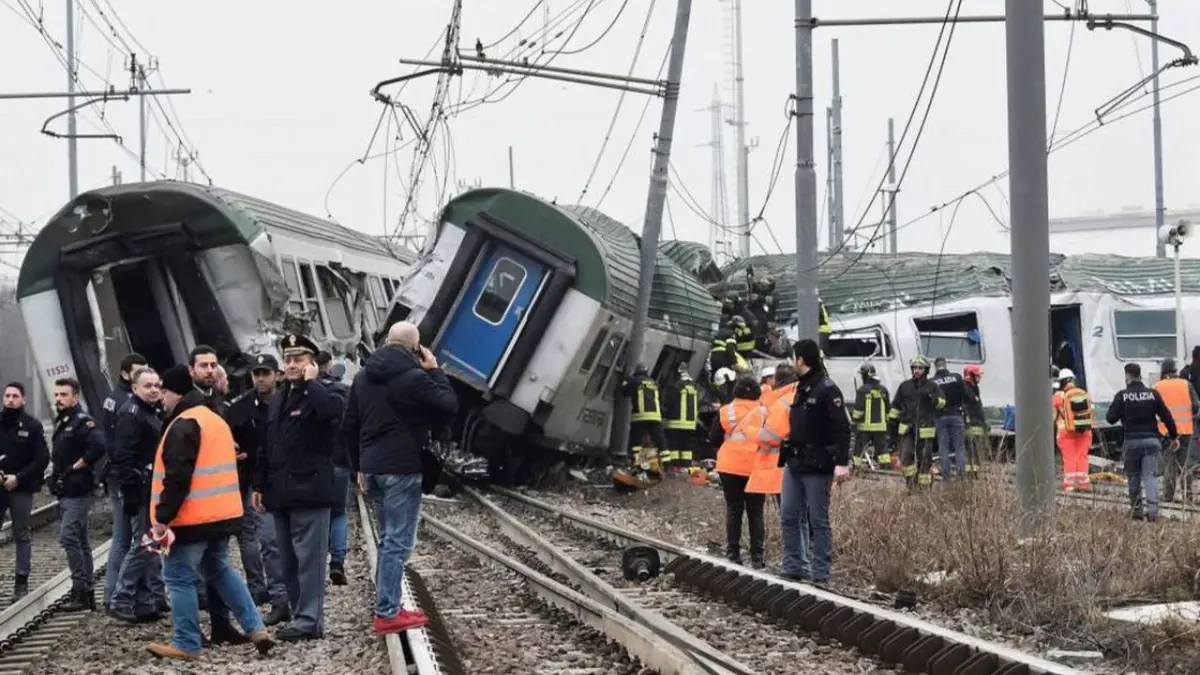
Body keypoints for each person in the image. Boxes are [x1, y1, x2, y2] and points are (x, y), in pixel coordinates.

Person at [146, 365, 274, 661]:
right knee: (219, 568)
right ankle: (256, 628)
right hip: (223, 515)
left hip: (191, 518)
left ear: (177, 393)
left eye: (164, 392)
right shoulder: (213, 418)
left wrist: (162, 518)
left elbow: (177, 478)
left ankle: (186, 643)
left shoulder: (183, 424)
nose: (161, 398)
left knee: (178, 577)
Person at [343, 321, 457, 635]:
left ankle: (390, 603)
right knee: (397, 542)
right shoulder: (415, 377)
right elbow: (448, 405)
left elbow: (349, 425)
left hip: (373, 467)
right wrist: (435, 371)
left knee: (388, 540)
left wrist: (358, 467)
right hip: (402, 468)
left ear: (386, 342)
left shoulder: (362, 377)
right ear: (415, 348)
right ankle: (387, 612)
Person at [253, 333, 345, 642]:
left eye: (299, 359)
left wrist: (311, 383)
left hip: (310, 489)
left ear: (311, 363)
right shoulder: (279, 397)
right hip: (281, 491)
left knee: (309, 560)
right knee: (287, 560)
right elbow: (267, 443)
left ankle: (309, 620)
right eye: (288, 359)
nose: (292, 364)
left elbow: (331, 413)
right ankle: (298, 614)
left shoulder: (326, 391)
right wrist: (259, 483)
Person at [778, 339, 851, 584]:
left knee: (817, 520)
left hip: (818, 464)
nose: (793, 362)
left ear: (800, 360)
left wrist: (841, 463)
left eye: (794, 358)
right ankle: (794, 566)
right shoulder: (802, 386)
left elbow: (842, 428)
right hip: (795, 461)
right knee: (789, 514)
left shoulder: (827, 389)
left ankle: (821, 572)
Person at [226, 354, 290, 624]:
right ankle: (278, 597)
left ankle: (291, 595)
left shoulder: (288, 401)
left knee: (289, 541)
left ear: (277, 375)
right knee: (268, 540)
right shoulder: (241, 408)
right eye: (257, 374)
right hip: (255, 481)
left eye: (265, 374)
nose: (261, 379)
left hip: (287, 479)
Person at [106, 366, 169, 620]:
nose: (153, 390)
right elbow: (123, 456)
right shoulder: (132, 414)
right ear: (134, 388)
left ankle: (148, 601)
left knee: (152, 544)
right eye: (147, 386)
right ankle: (122, 598)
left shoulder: (150, 411)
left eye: (156, 385)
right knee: (145, 543)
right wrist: (130, 490)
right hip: (139, 487)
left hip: (150, 486)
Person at [49, 378, 106, 612]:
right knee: (80, 539)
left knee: (68, 536)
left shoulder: (83, 422)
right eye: (57, 395)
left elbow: (99, 445)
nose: (59, 399)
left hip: (79, 489)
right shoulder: (64, 421)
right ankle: (86, 593)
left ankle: (80, 589)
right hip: (66, 490)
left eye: (64, 395)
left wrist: (77, 466)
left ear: (75, 397)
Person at [1107, 363, 1178, 522]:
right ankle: (1153, 512)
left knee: (1133, 477)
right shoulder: (1153, 394)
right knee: (1150, 476)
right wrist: (1174, 436)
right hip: (1151, 441)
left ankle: (1136, 511)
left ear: (1127, 376)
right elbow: (1167, 417)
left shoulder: (1122, 395)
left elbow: (1110, 418)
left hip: (1131, 442)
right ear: (1140, 376)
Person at [0, 382, 49, 600]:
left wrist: (19, 478)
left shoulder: (32, 426)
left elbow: (41, 458)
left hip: (21, 487)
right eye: (7, 396)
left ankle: (21, 581)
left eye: (15, 396)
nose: (10, 400)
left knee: (21, 533)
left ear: (23, 399)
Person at [709, 376, 764, 566]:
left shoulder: (726, 411)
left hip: (730, 465)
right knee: (756, 511)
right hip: (756, 466)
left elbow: (714, 438)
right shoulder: (764, 412)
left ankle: (733, 553)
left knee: (734, 509)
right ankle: (757, 556)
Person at [317, 351, 353, 586]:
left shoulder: (307, 392)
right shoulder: (344, 392)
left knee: (317, 513)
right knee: (339, 513)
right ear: (330, 366)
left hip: (316, 463)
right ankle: (337, 562)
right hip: (340, 460)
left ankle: (316, 561)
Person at [890, 356, 945, 489]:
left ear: (926, 370)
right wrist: (891, 426)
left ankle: (924, 489)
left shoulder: (932, 386)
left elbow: (942, 403)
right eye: (914, 368)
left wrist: (933, 398)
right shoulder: (905, 386)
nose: (917, 370)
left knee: (924, 460)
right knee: (906, 458)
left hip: (925, 430)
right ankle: (911, 484)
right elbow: (895, 407)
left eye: (920, 368)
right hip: (907, 429)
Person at [749, 363, 798, 512]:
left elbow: (770, 437)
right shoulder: (806, 395)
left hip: (782, 465)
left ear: (777, 380)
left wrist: (750, 431)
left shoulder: (780, 403)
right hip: (808, 464)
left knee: (788, 514)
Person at [97, 354, 148, 491]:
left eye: (146, 371)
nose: (144, 376)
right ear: (125, 375)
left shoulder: (118, 397)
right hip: (132, 469)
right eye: (139, 372)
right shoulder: (123, 401)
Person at [1154, 358, 1199, 502]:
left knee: (1170, 464)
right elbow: (1196, 406)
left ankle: (1168, 496)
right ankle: (1189, 496)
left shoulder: (1157, 386)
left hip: (1166, 431)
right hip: (1185, 430)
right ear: (1175, 369)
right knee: (1186, 464)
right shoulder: (1186, 384)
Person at [619, 364, 668, 474]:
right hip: (655, 417)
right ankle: (667, 467)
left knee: (636, 442)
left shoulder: (635, 381)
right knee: (660, 442)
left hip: (640, 417)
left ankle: (639, 464)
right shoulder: (655, 383)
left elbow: (623, 391)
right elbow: (661, 400)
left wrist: (626, 380)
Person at [1054, 368, 1095, 493]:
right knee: (1082, 456)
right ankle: (1083, 484)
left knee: (1069, 458)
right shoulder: (1083, 394)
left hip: (1066, 433)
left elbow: (1052, 416)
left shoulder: (1058, 397)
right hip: (1084, 431)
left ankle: (1070, 485)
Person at [930, 357, 966, 479]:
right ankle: (961, 474)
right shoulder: (957, 377)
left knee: (943, 447)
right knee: (959, 447)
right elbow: (964, 395)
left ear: (935, 367)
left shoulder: (932, 382)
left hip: (940, 417)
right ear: (945, 365)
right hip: (956, 414)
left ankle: (946, 475)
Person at [850, 364, 890, 471]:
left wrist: (853, 422)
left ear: (865, 375)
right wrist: (887, 424)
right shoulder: (883, 390)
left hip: (865, 428)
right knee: (883, 452)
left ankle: (856, 470)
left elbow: (858, 411)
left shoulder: (862, 390)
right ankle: (886, 471)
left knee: (859, 451)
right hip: (881, 428)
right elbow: (888, 410)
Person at [662, 364, 700, 472]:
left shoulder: (675, 386)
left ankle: (674, 466)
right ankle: (686, 466)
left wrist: (664, 414)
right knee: (687, 445)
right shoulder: (695, 386)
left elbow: (668, 403)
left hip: (675, 422)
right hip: (690, 423)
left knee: (673, 444)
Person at [961, 365, 987, 477]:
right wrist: (969, 420)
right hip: (971, 423)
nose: (979, 378)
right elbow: (968, 407)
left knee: (975, 449)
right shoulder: (966, 389)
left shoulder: (974, 388)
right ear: (970, 376)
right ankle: (970, 472)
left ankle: (974, 471)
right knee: (970, 448)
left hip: (977, 423)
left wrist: (983, 422)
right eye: (977, 376)